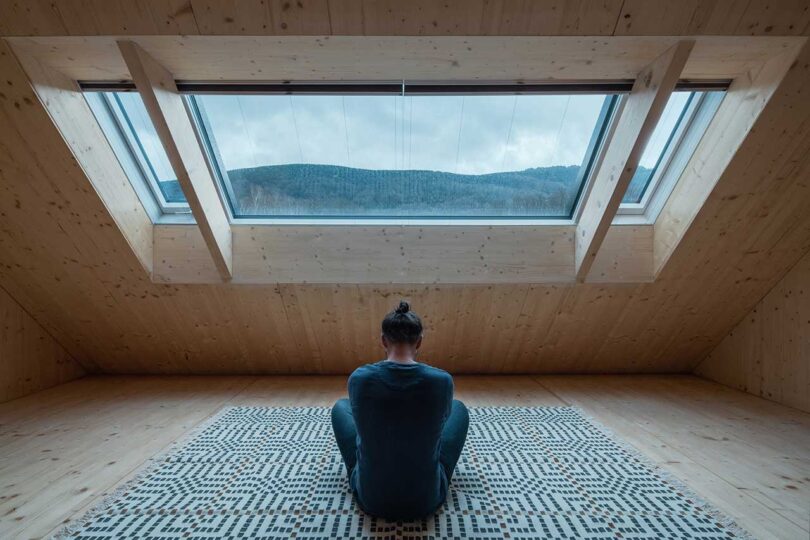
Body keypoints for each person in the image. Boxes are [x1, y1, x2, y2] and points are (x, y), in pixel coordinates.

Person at [331, 301, 469, 521]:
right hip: (427, 500)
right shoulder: (442, 381)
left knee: (341, 406)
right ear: (419, 342)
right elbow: (443, 420)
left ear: (383, 340)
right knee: (459, 408)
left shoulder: (359, 378)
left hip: (370, 499)